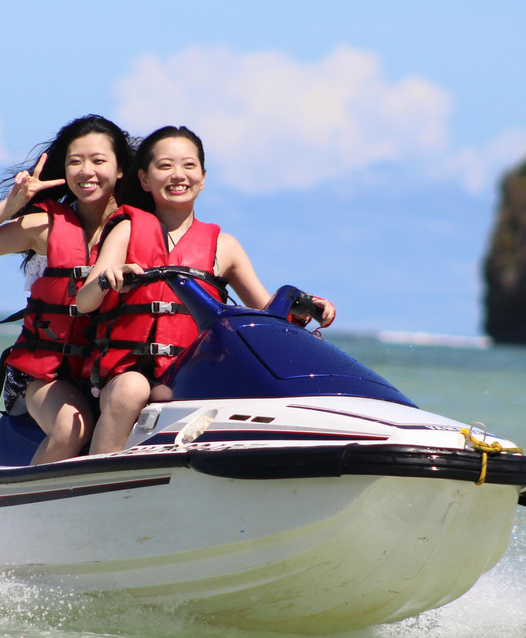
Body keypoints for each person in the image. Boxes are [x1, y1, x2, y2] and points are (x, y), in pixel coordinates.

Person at [76, 126, 335, 455]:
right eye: (165, 166)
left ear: (203, 176)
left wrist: (306, 307)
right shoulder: (126, 231)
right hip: (127, 372)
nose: (178, 175)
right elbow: (84, 302)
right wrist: (105, 279)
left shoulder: (224, 247)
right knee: (131, 387)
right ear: (144, 179)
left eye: (188, 165)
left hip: (188, 372)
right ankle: (98, 479)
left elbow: (268, 311)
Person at [0, 115, 134, 464]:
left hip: (110, 369)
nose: (86, 171)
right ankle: (26, 507)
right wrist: (11, 206)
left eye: (98, 160)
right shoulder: (45, 226)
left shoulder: (139, 228)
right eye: (75, 161)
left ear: (121, 169)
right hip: (45, 373)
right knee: (71, 427)